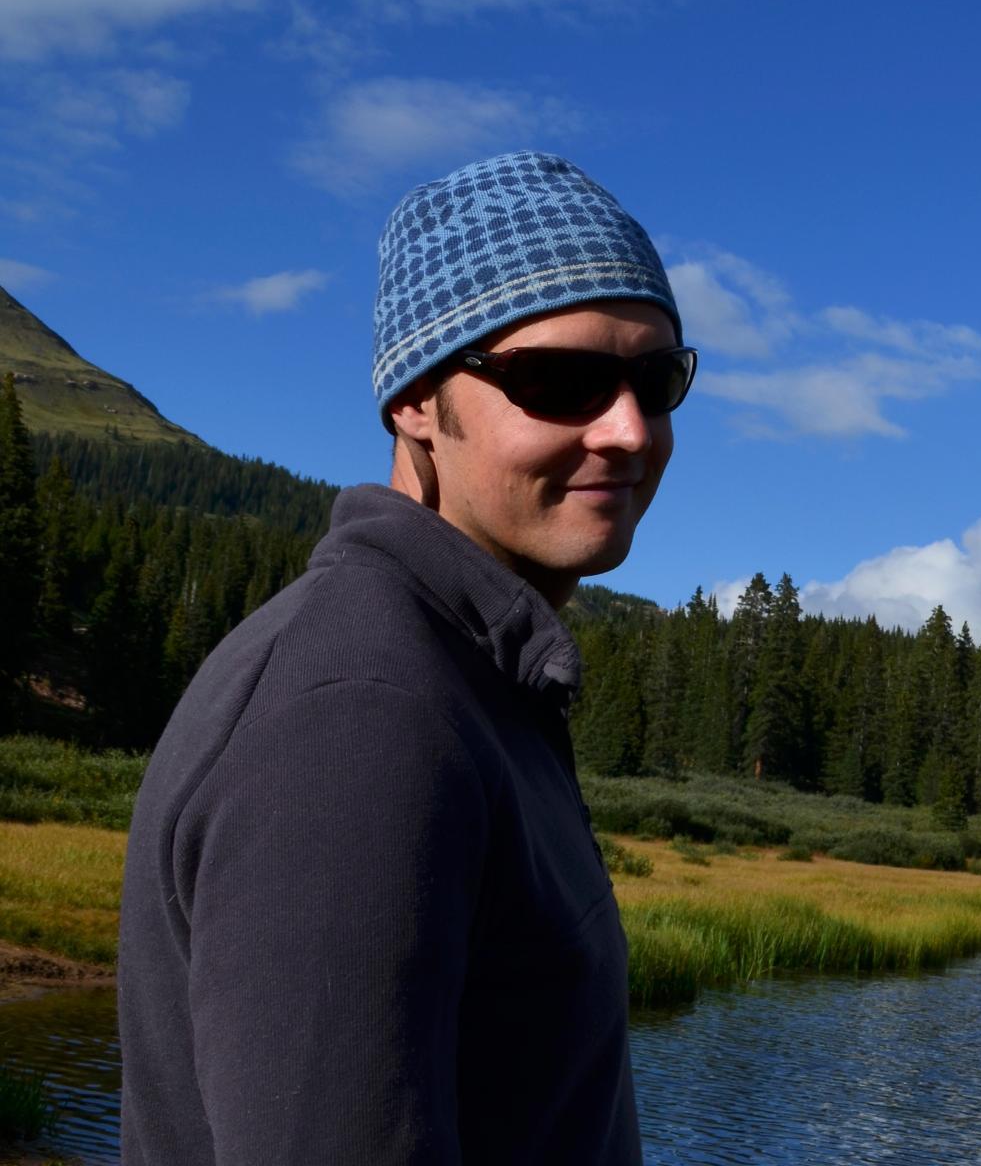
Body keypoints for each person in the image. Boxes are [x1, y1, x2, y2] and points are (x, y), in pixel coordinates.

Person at [118, 150, 694, 1165]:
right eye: (561, 380)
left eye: (656, 379)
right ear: (417, 402)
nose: (629, 430)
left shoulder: (461, 675)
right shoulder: (363, 716)